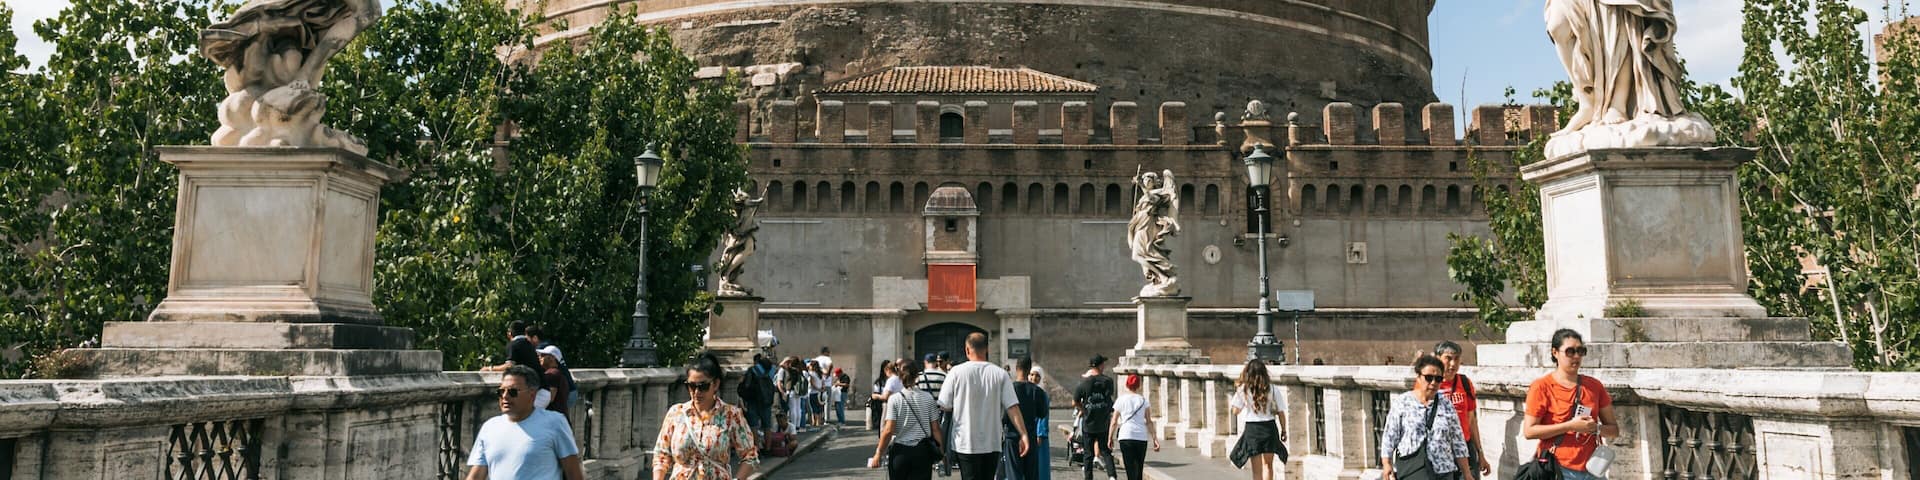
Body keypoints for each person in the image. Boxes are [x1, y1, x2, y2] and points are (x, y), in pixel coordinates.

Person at [1523, 329, 1618, 480]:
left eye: (1581, 351)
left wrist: (1596, 428)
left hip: (1592, 468)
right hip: (1558, 468)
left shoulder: (1594, 386)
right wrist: (1570, 426)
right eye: (1570, 351)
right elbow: (1529, 431)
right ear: (1555, 353)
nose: (1576, 356)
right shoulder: (1542, 387)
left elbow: (1613, 430)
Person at [937, 333, 1031, 480]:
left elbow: (944, 405)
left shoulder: (955, 372)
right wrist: (1023, 434)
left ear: (967, 349)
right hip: (992, 441)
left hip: (965, 441)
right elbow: (1012, 407)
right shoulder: (1000, 374)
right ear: (987, 349)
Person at [653, 352, 760, 480]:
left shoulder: (731, 415)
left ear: (715, 384)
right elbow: (661, 455)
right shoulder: (676, 413)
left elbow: (750, 456)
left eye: (703, 386)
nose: (696, 392)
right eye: (691, 386)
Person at [466, 365, 584, 480]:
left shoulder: (555, 423)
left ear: (532, 395)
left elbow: (573, 473)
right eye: (501, 392)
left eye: (513, 392)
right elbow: (476, 475)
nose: (505, 396)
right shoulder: (490, 427)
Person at [1379, 355, 1471, 480]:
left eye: (1438, 379)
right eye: (1428, 378)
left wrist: (1467, 474)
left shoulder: (1446, 404)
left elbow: (1458, 441)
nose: (1433, 383)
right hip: (1413, 469)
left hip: (1443, 470)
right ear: (1418, 377)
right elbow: (1390, 436)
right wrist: (1387, 464)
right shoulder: (1403, 402)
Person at [869, 359, 946, 480]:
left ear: (900, 377)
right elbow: (935, 428)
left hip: (900, 451)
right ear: (917, 376)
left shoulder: (894, 399)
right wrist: (941, 452)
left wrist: (878, 453)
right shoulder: (928, 398)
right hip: (922, 451)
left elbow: (889, 430)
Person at [1433, 341, 1490, 479]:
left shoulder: (1465, 383)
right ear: (1438, 359)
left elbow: (1471, 421)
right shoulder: (1431, 384)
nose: (1453, 364)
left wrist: (1480, 453)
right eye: (1448, 358)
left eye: (1456, 359)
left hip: (1465, 447)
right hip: (1440, 449)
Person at [1228, 359, 1287, 480]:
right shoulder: (1273, 389)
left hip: (1252, 429)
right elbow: (1281, 412)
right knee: (1268, 465)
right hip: (1269, 427)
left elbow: (1235, 411)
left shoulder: (1243, 389)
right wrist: (1284, 430)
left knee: (1256, 470)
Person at [1003, 357, 1049, 480]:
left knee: (1013, 475)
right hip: (1030, 437)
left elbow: (1003, 417)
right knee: (1031, 475)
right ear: (1029, 370)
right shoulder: (1037, 391)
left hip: (1012, 438)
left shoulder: (1008, 389)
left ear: (1016, 368)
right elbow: (1042, 413)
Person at [1105, 374, 1158, 480]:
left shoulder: (1121, 400)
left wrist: (1110, 437)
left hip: (1126, 436)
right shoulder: (1143, 401)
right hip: (1141, 437)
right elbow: (1149, 421)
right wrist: (1154, 438)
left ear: (1127, 385)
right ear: (1138, 385)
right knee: (1139, 468)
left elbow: (1114, 421)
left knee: (1130, 469)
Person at [1073, 355, 1117, 480]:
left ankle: (1088, 477)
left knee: (1088, 454)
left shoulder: (1084, 383)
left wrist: (1084, 409)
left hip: (1089, 422)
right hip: (1103, 421)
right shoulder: (1108, 381)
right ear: (1100, 365)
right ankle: (1112, 476)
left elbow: (1074, 401)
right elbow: (1109, 398)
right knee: (1106, 451)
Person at [740, 353, 778, 450]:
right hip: (767, 401)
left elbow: (746, 386)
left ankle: (756, 448)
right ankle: (768, 449)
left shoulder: (752, 370)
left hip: (753, 400)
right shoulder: (771, 370)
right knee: (767, 426)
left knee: (754, 425)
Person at [537, 346, 571, 418]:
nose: (539, 357)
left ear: (552, 357)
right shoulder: (557, 373)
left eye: (543, 355)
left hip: (553, 421)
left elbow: (549, 398)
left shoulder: (552, 374)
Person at [778, 356, 808, 433]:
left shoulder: (791, 370)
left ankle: (793, 426)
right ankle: (797, 425)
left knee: (792, 409)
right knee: (798, 409)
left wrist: (786, 359)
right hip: (798, 391)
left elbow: (781, 365)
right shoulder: (800, 370)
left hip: (791, 390)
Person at [870, 359, 898, 432]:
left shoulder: (891, 380)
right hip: (893, 405)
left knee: (884, 427)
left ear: (887, 370)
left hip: (887, 404)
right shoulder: (899, 379)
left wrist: (876, 396)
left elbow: (885, 396)